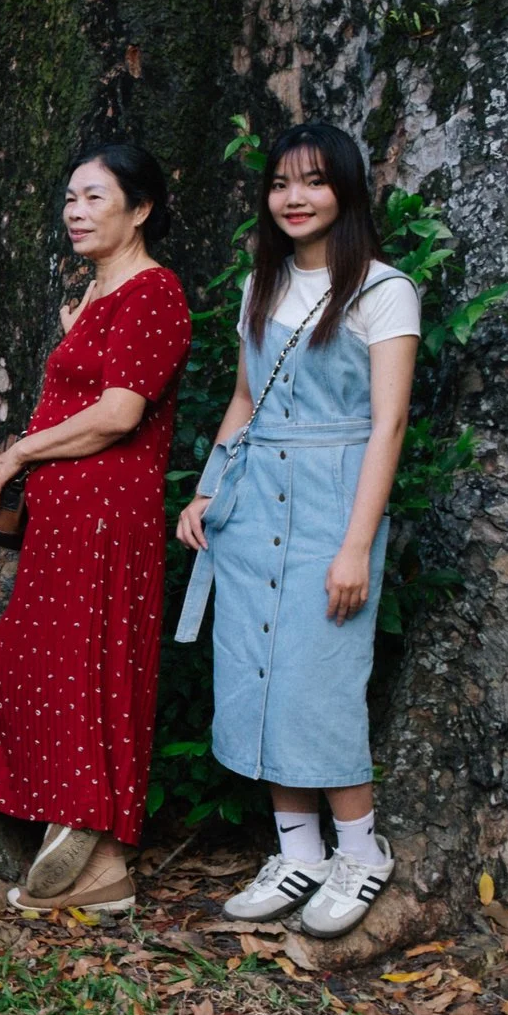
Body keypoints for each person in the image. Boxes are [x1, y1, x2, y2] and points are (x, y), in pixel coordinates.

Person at [176, 121, 419, 937]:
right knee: (260, 674)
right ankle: (298, 851)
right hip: (254, 503)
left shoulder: (384, 291)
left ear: (344, 190)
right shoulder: (261, 286)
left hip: (332, 503)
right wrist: (209, 495)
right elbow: (244, 404)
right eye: (281, 184)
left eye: (313, 181)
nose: (295, 197)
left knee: (319, 678)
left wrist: (356, 544)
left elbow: (387, 426)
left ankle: (360, 851)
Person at [0, 142, 193, 916]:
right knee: (28, 662)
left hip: (107, 518)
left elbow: (120, 413)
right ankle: (81, 839)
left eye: (95, 196)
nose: (75, 210)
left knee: (91, 662)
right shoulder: (101, 298)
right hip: (63, 523)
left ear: (140, 210)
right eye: (70, 196)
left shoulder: (153, 292)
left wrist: (19, 450)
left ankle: (99, 847)